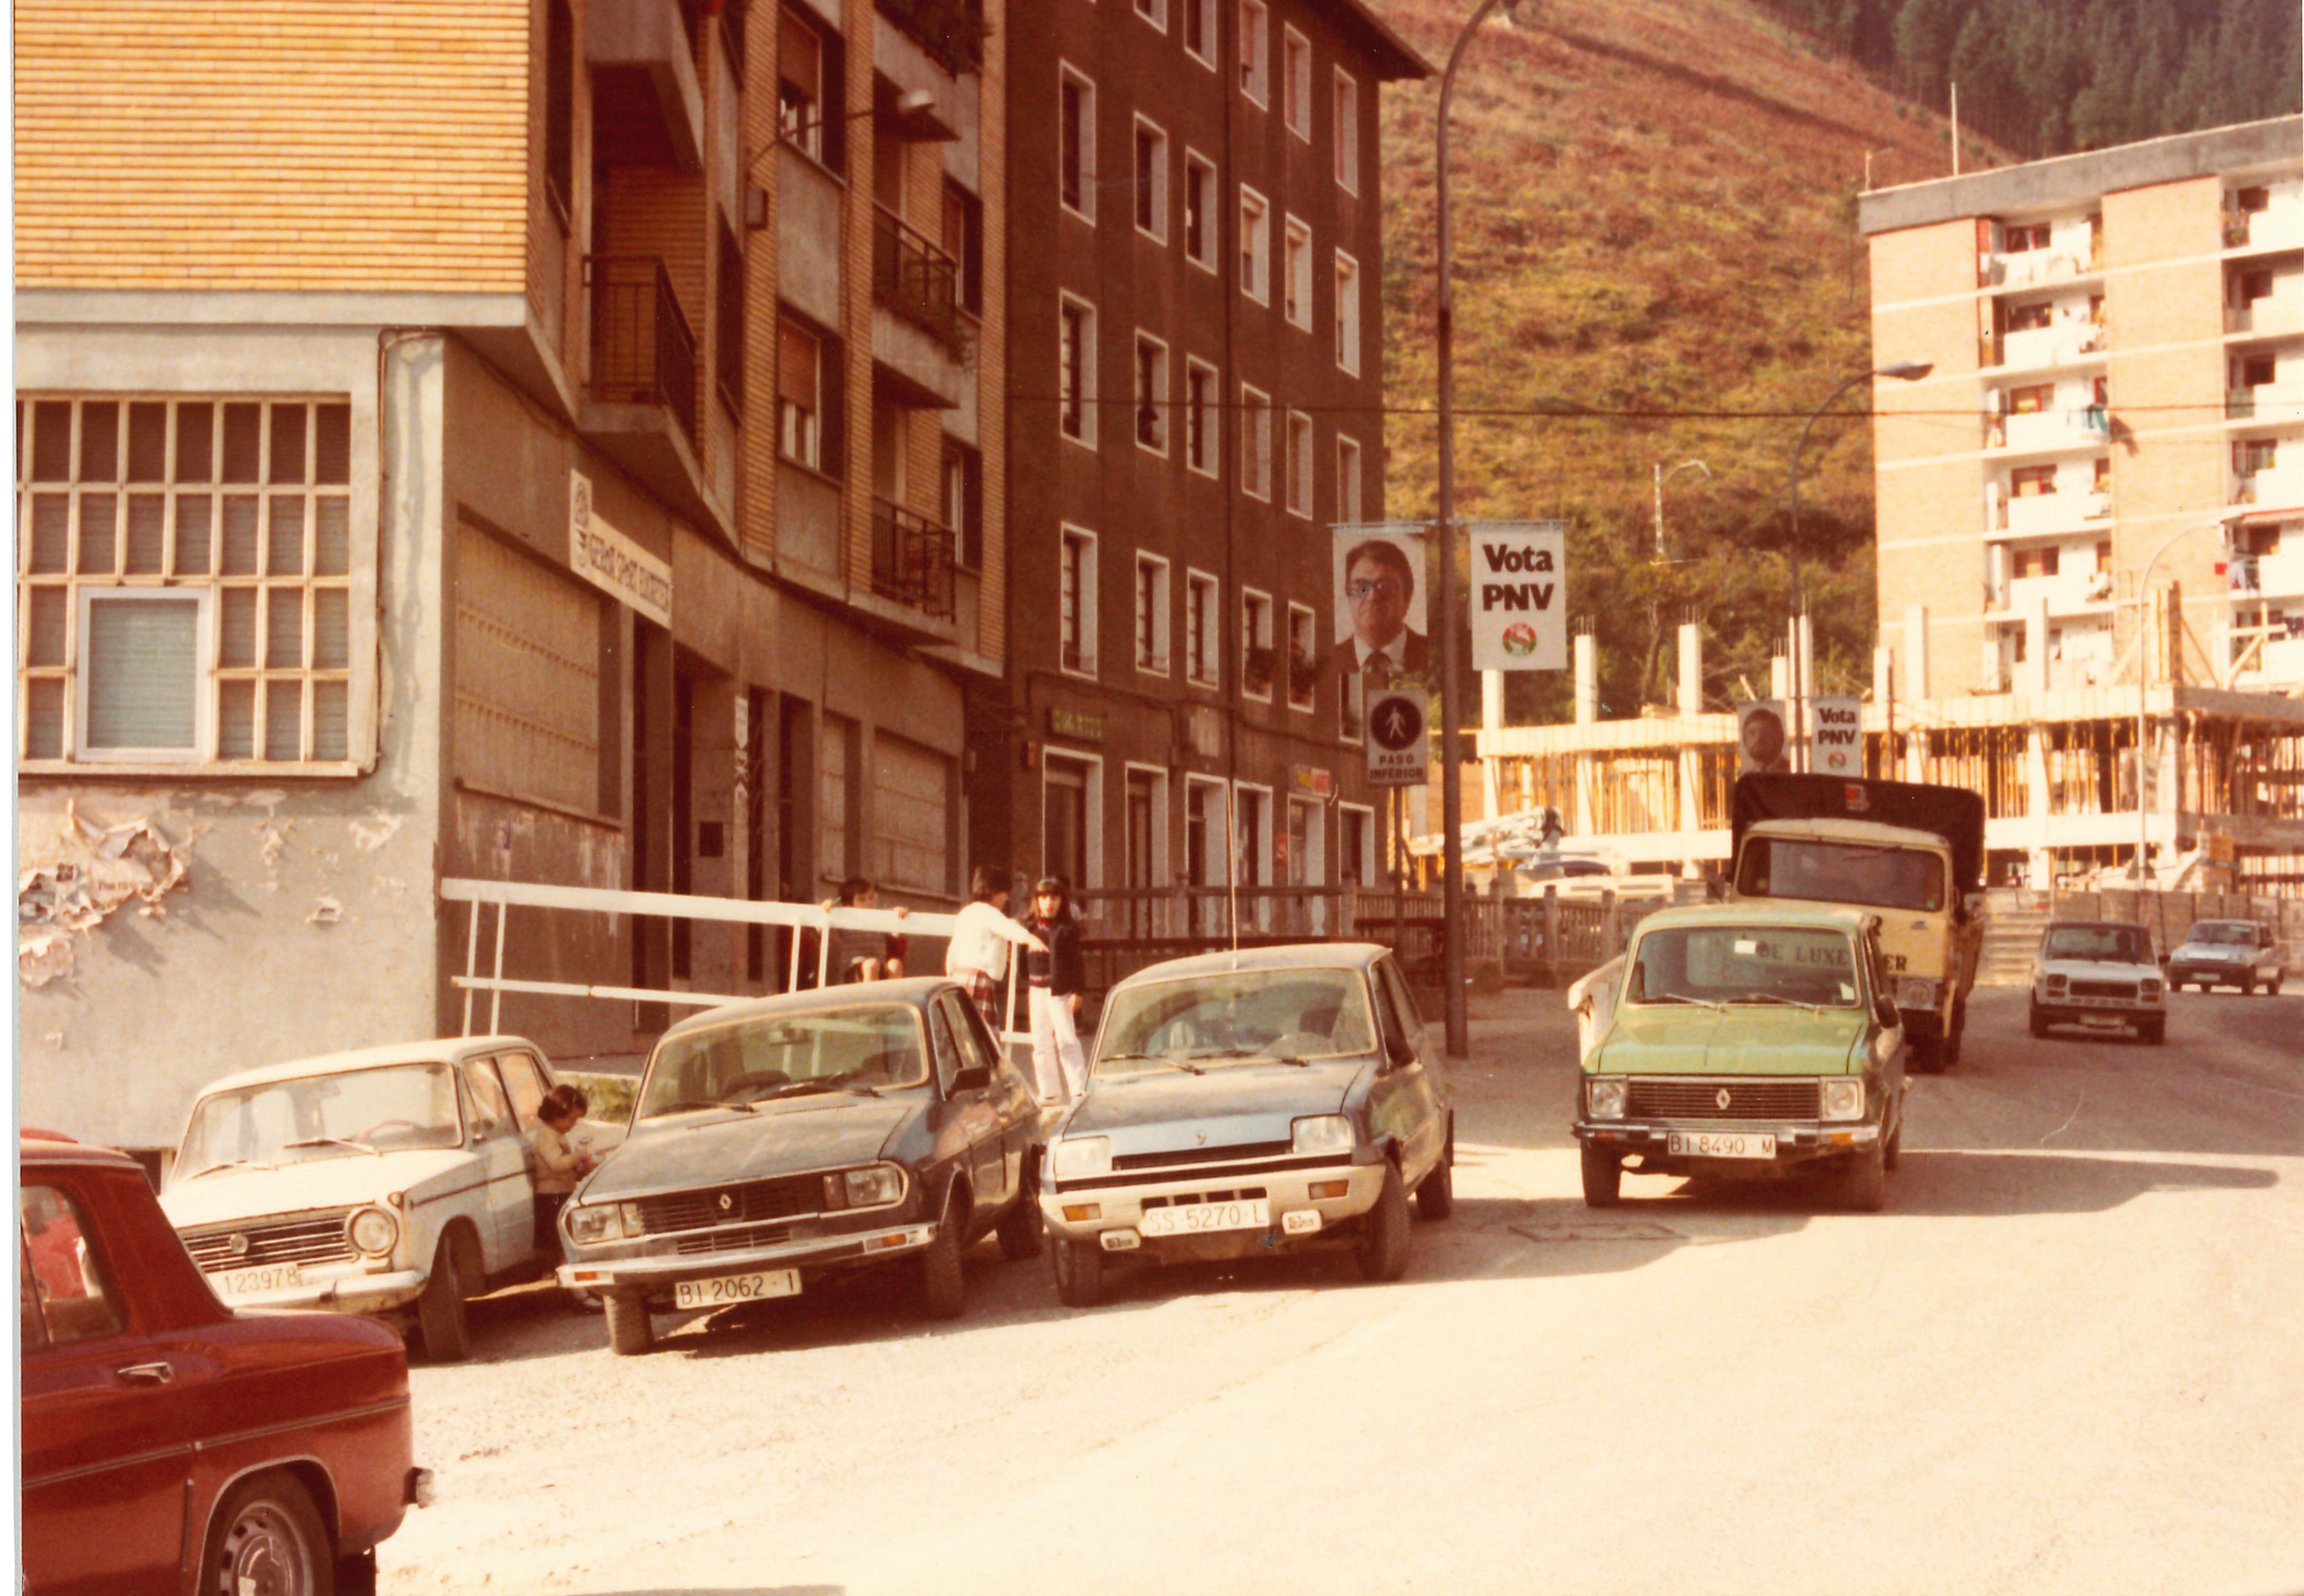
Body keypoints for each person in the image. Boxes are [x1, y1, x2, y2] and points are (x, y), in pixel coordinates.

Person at [944, 864, 1046, 1035]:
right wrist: (1030, 939)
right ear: (994, 893)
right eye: (1004, 895)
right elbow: (1008, 929)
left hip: (960, 976)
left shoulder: (967, 913)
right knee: (981, 1031)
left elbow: (956, 947)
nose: (1006, 900)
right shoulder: (989, 912)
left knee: (964, 1029)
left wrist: (950, 972)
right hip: (978, 978)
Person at [1021, 877, 1089, 1106]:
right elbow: (1018, 950)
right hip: (1036, 990)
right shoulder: (1028, 927)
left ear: (1062, 901)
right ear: (1037, 901)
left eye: (1054, 897)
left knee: (1066, 1039)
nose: (1049, 903)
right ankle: (1049, 1091)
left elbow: (1077, 963)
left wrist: (1077, 991)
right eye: (1044, 898)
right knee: (1040, 1042)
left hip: (1058, 991)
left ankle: (1079, 1089)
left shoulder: (1067, 929)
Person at [1337, 538, 1430, 682]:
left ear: (1407, 596)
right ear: (1348, 594)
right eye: (1361, 587)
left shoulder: (1431, 653)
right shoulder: (1329, 660)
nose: (1372, 597)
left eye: (1385, 586)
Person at [532, 1083, 599, 1256]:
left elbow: (566, 1169)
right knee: (556, 1238)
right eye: (571, 1119)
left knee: (567, 1234)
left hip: (563, 1191)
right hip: (552, 1196)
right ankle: (555, 1267)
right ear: (556, 1115)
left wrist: (583, 1170)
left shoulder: (557, 1135)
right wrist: (578, 1156)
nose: (574, 1124)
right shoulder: (546, 1135)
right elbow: (556, 1164)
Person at [821, 876, 909, 983]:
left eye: (871, 898)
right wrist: (827, 909)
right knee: (871, 965)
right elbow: (824, 930)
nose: (869, 902)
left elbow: (897, 932)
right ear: (848, 905)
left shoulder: (879, 918)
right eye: (862, 900)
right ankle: (870, 999)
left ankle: (893, 999)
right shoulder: (846, 920)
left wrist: (899, 914)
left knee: (895, 965)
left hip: (879, 966)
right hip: (855, 970)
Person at [1739, 704, 1789, 773]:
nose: (1758, 738)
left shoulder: (1793, 773)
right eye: (1752, 733)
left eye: (1765, 733)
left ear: (1779, 738)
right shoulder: (1747, 779)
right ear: (1744, 739)